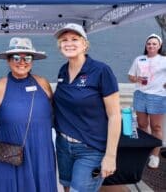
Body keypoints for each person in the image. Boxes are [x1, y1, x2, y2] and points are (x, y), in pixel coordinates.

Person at [53, 23, 121, 191]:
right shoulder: (63, 71)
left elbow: (114, 115)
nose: (69, 43)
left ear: (84, 44)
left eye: (75, 39)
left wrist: (111, 156)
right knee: (66, 187)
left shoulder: (101, 70)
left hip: (90, 149)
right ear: (60, 46)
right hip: (63, 145)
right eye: (64, 40)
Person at [0, 37, 58, 192]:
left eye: (27, 57)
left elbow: (56, 113)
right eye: (16, 57)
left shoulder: (43, 83)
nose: (22, 62)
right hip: (12, 156)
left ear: (32, 60)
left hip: (41, 153)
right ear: (8, 61)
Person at [128, 33, 166, 169]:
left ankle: (155, 155)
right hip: (140, 95)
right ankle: (144, 151)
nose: (151, 46)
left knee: (156, 127)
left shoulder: (163, 60)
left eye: (154, 44)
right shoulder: (139, 59)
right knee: (142, 125)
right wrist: (136, 79)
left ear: (159, 46)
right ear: (146, 45)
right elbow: (130, 76)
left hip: (157, 96)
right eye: (149, 43)